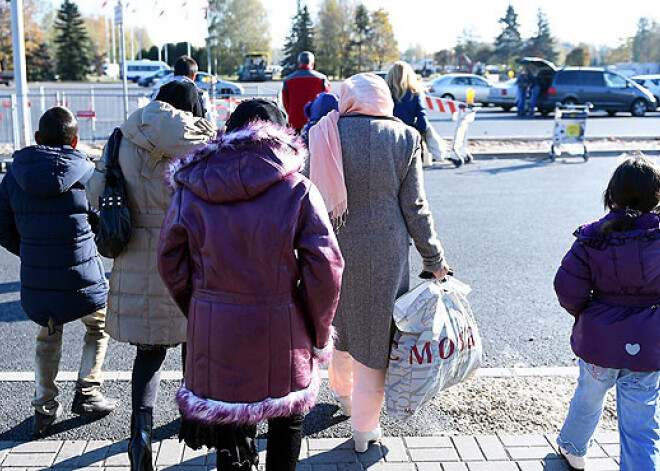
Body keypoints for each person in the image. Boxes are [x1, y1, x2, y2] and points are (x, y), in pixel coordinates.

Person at [158, 99, 344, 470]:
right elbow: (326, 269)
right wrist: (318, 331)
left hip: (216, 331)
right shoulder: (298, 189)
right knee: (286, 421)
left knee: (228, 422)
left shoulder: (191, 186)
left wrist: (201, 307)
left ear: (228, 135)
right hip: (281, 328)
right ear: (281, 137)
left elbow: (169, 262)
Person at [308, 74, 449, 453]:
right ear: (384, 99)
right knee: (375, 340)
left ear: (348, 98)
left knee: (339, 327)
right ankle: (364, 431)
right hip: (386, 252)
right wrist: (433, 259)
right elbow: (415, 208)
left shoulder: (324, 134)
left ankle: (343, 395)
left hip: (332, 247)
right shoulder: (404, 137)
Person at [87, 81, 216, 471]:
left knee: (149, 353)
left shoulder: (121, 135)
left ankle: (140, 435)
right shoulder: (202, 143)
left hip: (139, 257)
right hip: (191, 257)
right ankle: (195, 423)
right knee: (195, 344)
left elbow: (95, 192)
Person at [0, 107, 118, 437]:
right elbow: (100, 223)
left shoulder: (14, 177)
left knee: (47, 335)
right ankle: (88, 391)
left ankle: (44, 405)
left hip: (39, 276)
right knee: (99, 325)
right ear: (76, 140)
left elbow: (2, 226)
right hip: (82, 276)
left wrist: (30, 251)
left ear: (37, 138)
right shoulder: (87, 175)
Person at [554, 155, 660, 471]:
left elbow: (567, 288)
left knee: (588, 397)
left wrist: (586, 314)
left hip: (599, 340)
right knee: (642, 416)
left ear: (611, 196)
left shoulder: (592, 237)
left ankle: (574, 450)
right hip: (649, 344)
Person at [386, 61, 447, 165]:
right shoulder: (415, 94)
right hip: (409, 139)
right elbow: (422, 122)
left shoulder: (385, 94)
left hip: (388, 138)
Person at [151, 55, 214, 123]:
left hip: (161, 132)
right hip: (191, 132)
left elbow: (150, 113)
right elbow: (209, 122)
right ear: (193, 76)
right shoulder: (201, 94)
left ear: (174, 73)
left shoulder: (160, 91)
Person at [282, 51, 331, 132]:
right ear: (312, 63)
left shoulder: (288, 81)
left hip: (295, 124)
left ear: (299, 63)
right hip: (317, 124)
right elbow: (327, 102)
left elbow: (286, 104)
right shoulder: (322, 80)